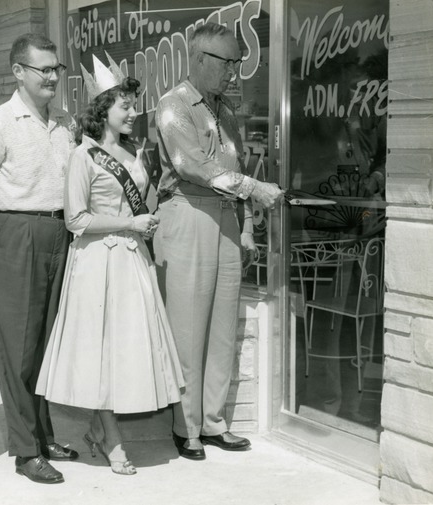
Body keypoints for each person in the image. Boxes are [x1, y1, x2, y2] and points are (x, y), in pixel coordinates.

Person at [35, 53, 184, 475]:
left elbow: (138, 205)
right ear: (103, 110)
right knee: (100, 351)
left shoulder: (134, 152)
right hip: (97, 262)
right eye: (126, 106)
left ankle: (103, 432)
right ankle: (111, 436)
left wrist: (152, 209)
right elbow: (76, 219)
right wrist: (130, 221)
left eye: (134, 106)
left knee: (126, 350)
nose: (134, 113)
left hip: (131, 260)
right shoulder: (84, 156)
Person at [153, 23, 284, 460]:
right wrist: (253, 189)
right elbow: (191, 165)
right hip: (188, 214)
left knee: (222, 327)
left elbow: (238, 165)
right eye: (228, 63)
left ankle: (213, 423)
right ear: (200, 59)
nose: (235, 73)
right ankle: (186, 427)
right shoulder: (174, 105)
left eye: (239, 64)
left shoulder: (225, 111)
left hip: (226, 217)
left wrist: (245, 226)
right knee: (188, 327)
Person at [0, 33, 78, 485]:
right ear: (18, 72)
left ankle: (43, 434)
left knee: (48, 344)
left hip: (59, 232)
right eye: (44, 69)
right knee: (18, 348)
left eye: (57, 69)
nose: (53, 76)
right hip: (16, 233)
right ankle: (25, 449)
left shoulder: (66, 122)